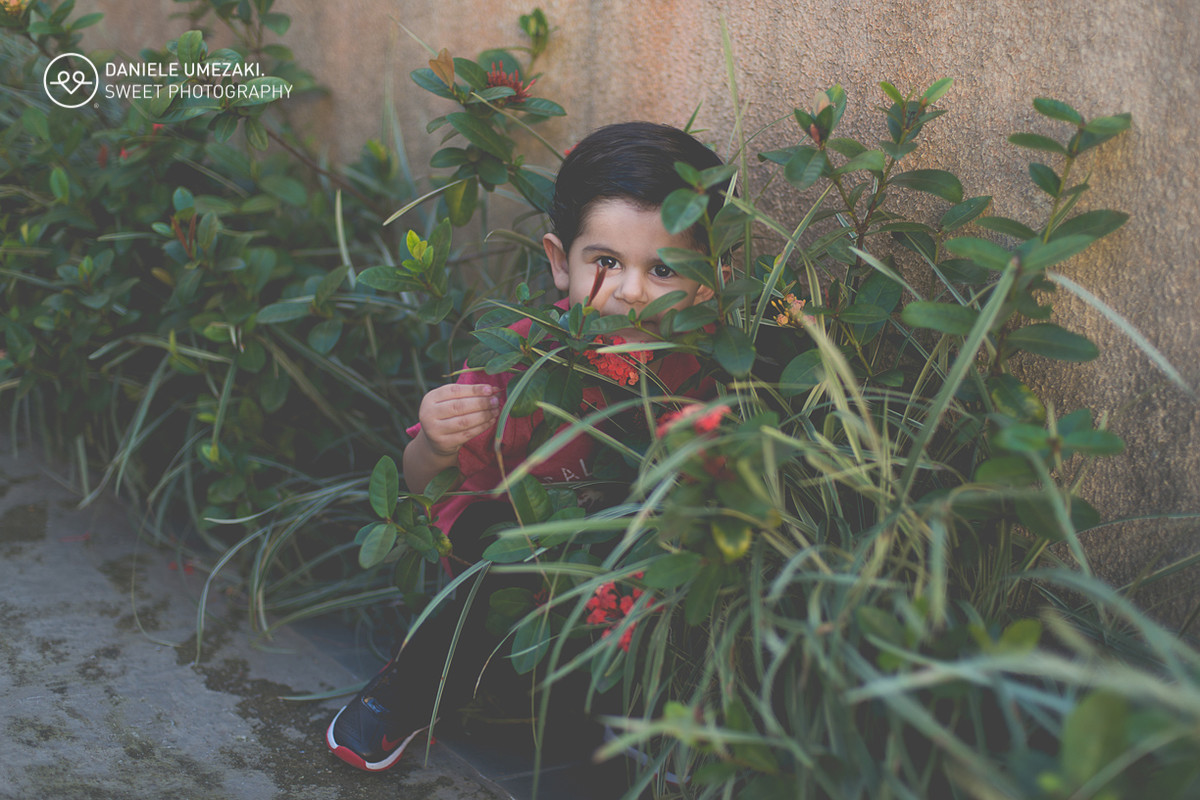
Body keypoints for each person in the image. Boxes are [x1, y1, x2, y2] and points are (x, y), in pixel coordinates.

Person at [326, 121, 731, 772]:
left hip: (631, 572)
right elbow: (422, 485)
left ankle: (606, 744)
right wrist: (433, 441)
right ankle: (421, 680)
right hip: (509, 561)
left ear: (711, 279)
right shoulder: (517, 361)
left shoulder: (713, 366)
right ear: (558, 262)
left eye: (664, 268)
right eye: (605, 263)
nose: (631, 291)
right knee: (496, 555)